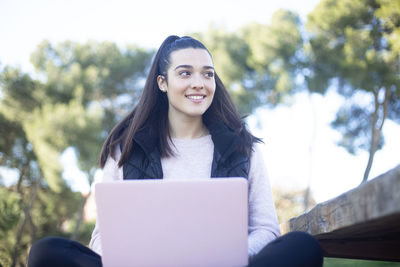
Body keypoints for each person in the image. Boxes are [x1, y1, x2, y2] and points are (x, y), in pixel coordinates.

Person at [28, 35, 323, 267]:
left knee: (302, 246)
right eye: (185, 73)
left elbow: (266, 229)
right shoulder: (126, 149)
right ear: (162, 83)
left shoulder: (244, 148)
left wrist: (228, 259)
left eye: (208, 74)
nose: (199, 83)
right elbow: (102, 238)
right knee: (46, 253)